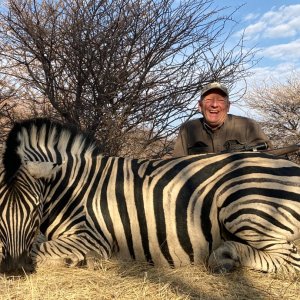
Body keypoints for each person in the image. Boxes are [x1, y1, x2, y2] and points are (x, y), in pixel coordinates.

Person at [173, 82, 272, 156]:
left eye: (220, 100)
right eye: (209, 100)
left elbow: (268, 158)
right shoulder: (188, 129)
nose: (214, 105)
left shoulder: (249, 126)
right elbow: (177, 164)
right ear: (200, 106)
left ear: (228, 106)